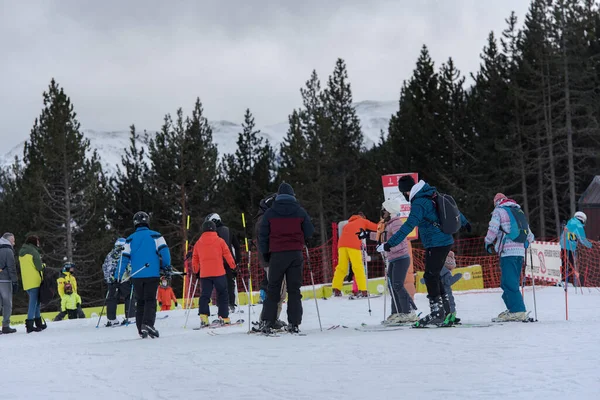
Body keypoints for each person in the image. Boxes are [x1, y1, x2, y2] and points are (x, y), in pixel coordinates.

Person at [378, 176, 470, 326]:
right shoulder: (431, 193)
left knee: (430, 276)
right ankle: (447, 312)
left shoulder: (419, 202)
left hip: (436, 243)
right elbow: (453, 209)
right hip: (443, 240)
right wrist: (465, 222)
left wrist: (389, 244)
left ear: (405, 192)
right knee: (434, 275)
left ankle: (437, 313)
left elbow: (408, 226)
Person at [258, 182, 314, 334]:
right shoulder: (300, 211)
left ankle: (268, 321)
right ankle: (294, 323)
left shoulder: (270, 213)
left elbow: (263, 235)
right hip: (295, 254)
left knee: (273, 289)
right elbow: (309, 231)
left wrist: (265, 253)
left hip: (277, 255)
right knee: (294, 290)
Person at [119, 211, 172, 339]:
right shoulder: (156, 236)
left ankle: (140, 328)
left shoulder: (129, 239)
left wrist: (118, 275)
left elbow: (124, 259)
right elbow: (165, 252)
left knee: (140, 301)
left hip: (136, 276)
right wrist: (166, 267)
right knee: (150, 300)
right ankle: (148, 324)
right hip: (152, 274)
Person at [364, 199, 417, 323]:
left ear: (390, 212)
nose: (382, 213)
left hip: (401, 258)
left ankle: (408, 312)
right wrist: (367, 234)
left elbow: (401, 241)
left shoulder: (397, 223)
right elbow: (382, 237)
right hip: (393, 258)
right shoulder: (389, 224)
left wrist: (387, 246)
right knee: (392, 286)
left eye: (384, 210)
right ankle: (397, 312)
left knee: (397, 285)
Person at [484, 193, 534, 322]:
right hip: (520, 252)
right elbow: (530, 235)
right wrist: (526, 242)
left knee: (509, 283)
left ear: (496, 202)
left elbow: (493, 229)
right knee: (507, 282)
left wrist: (488, 242)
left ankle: (518, 311)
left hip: (508, 251)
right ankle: (512, 309)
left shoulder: (499, 211)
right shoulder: (518, 211)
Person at [192, 220, 237, 327]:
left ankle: (203, 316)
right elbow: (227, 253)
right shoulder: (220, 241)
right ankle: (224, 316)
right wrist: (233, 266)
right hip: (219, 272)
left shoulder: (198, 243)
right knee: (223, 294)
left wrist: (196, 270)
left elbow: (195, 258)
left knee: (205, 295)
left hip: (205, 274)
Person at [254, 193, 287, 330]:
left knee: (279, 291)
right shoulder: (264, 220)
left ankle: (272, 318)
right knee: (277, 291)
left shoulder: (265, 219)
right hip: (271, 260)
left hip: (271, 259)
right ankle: (267, 319)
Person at [332, 212, 378, 298]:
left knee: (341, 267)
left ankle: (336, 289)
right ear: (363, 217)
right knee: (358, 267)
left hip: (341, 245)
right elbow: (376, 227)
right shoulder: (363, 221)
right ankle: (363, 290)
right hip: (353, 245)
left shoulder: (348, 224)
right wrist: (384, 222)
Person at [204, 213, 241, 313]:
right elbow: (237, 247)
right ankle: (231, 304)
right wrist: (237, 261)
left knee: (219, 284)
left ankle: (222, 305)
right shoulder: (229, 230)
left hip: (217, 263)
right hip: (229, 262)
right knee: (230, 283)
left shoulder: (212, 233)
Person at [102, 238, 135, 326]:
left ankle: (111, 319)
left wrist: (107, 278)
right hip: (123, 279)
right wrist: (131, 275)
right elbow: (128, 265)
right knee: (129, 296)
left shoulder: (110, 254)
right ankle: (130, 316)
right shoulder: (124, 253)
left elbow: (104, 266)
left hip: (111, 280)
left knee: (112, 298)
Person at [18, 235, 47, 333]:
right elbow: (39, 267)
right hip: (35, 281)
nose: (38, 243)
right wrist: (44, 265)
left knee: (36, 303)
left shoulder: (21, 252)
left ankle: (38, 323)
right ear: (34, 242)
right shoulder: (34, 252)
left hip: (26, 282)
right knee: (33, 304)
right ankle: (29, 325)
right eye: (37, 241)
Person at [560, 211, 592, 286]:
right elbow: (582, 239)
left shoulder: (569, 223)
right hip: (570, 248)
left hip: (562, 247)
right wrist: (590, 245)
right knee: (570, 266)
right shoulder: (578, 225)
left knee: (564, 264)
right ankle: (565, 282)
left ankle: (563, 280)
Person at [0, 232, 18, 334]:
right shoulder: (8, 250)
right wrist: (15, 281)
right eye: (13, 240)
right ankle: (5, 326)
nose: (14, 243)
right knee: (7, 304)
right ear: (8, 240)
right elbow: (11, 268)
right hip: (5, 280)